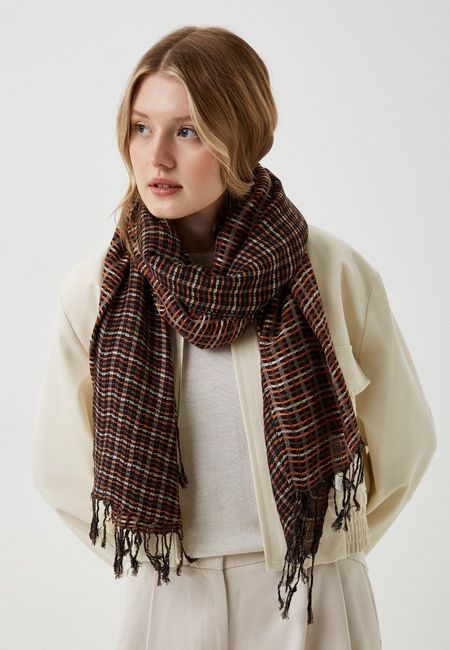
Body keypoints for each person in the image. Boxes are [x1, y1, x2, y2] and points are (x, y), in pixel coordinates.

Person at [32, 25, 437, 650]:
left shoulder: (330, 272)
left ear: (240, 136)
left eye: (187, 131)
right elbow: (60, 465)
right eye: (140, 127)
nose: (156, 157)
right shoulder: (96, 292)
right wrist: (152, 558)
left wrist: (328, 549)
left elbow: (405, 442)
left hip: (312, 595)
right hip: (168, 596)